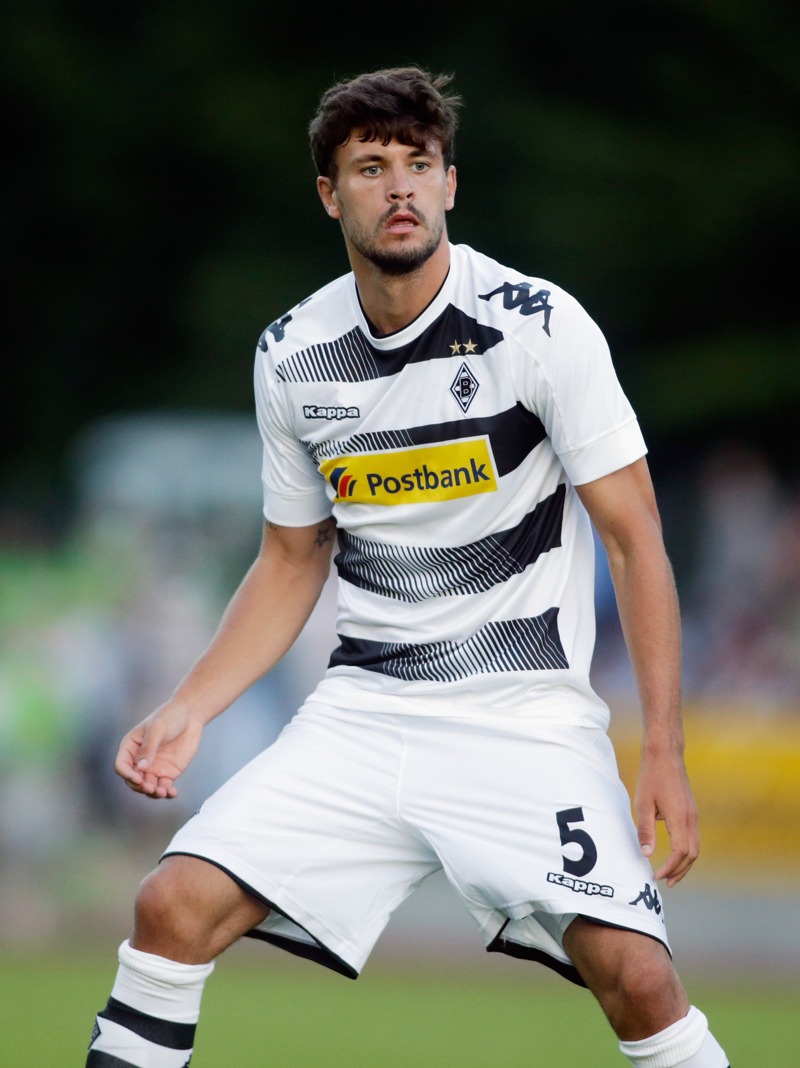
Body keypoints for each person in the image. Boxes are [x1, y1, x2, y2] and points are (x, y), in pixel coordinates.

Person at [85, 66, 730, 1067]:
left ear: (449, 185)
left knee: (637, 977)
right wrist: (191, 705)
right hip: (365, 713)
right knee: (171, 905)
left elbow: (634, 537)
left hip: (522, 716)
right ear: (328, 194)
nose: (398, 187)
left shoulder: (537, 325)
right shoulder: (293, 352)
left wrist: (662, 752)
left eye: (417, 165)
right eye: (370, 166)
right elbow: (293, 557)